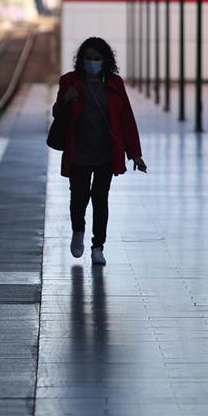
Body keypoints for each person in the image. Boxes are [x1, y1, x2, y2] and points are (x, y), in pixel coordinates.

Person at [52, 37, 146, 266]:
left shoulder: (114, 84)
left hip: (106, 153)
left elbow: (126, 120)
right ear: (81, 59)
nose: (92, 62)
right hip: (79, 152)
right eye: (88, 58)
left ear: (105, 61)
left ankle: (98, 246)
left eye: (96, 59)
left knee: (100, 198)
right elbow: (57, 113)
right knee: (79, 197)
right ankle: (78, 230)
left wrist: (135, 154)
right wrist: (66, 99)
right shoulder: (70, 82)